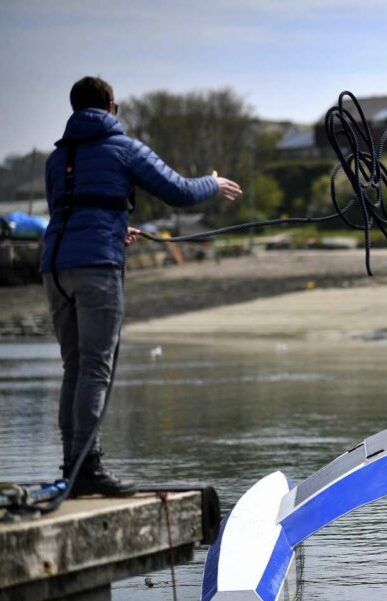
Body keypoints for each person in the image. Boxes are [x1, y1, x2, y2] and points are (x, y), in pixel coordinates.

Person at [41, 76, 242, 497]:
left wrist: (117, 226)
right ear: (111, 107)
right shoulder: (122, 148)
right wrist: (213, 182)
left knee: (74, 368)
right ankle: (88, 468)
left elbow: (70, 209)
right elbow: (179, 192)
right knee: (96, 367)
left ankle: (71, 464)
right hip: (97, 267)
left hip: (55, 268)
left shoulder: (56, 159)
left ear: (74, 109)